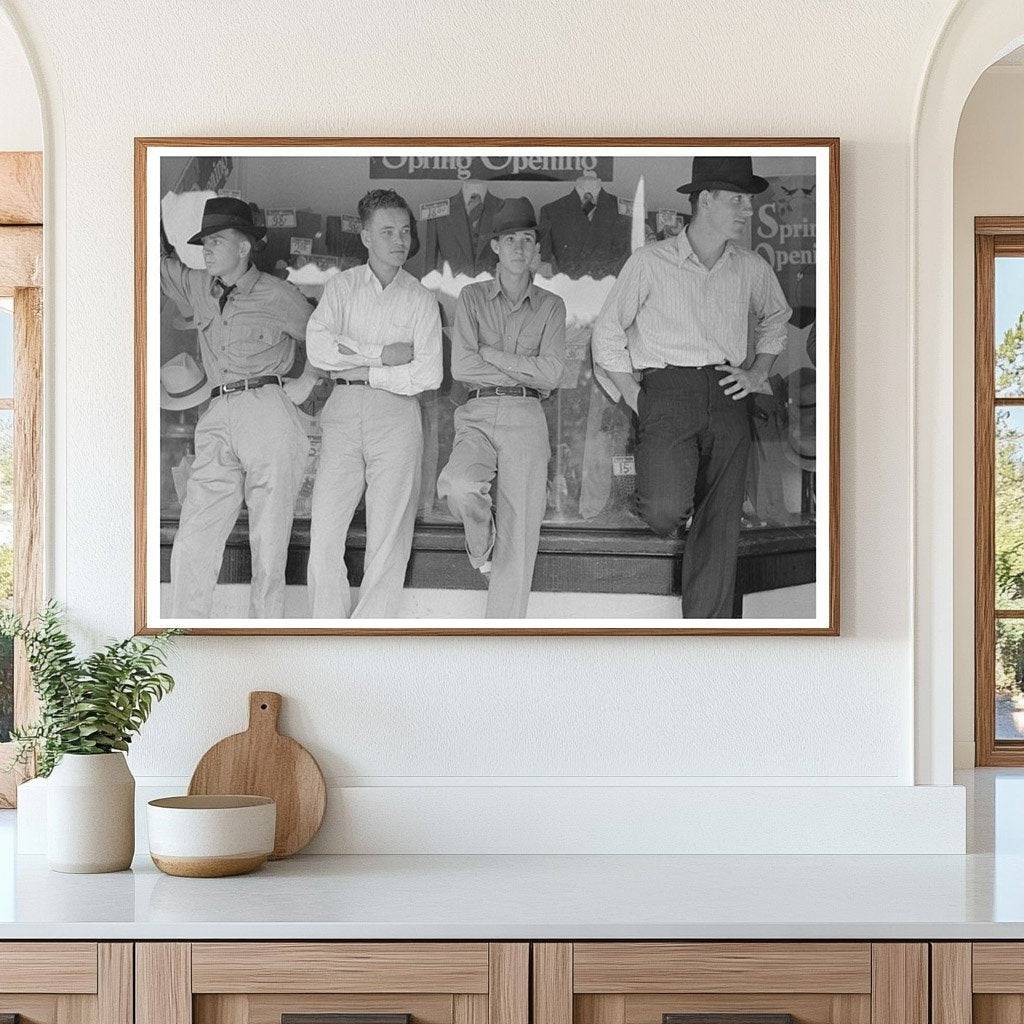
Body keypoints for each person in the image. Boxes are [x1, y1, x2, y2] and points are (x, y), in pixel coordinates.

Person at [592, 156, 792, 618]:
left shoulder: (749, 268)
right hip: (665, 390)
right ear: (706, 200)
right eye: (738, 200)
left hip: (727, 391)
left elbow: (777, 319)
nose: (747, 210)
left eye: (749, 200)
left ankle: (708, 631)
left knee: (721, 523)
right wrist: (634, 394)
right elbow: (607, 334)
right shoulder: (650, 262)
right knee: (664, 508)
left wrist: (758, 371)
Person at [159, 195, 318, 620]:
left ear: (244, 247)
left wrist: (304, 389)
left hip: (267, 407)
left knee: (269, 540)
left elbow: (324, 342)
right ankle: (186, 635)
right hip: (217, 411)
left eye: (216, 241)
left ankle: (264, 635)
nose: (206, 249)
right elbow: (161, 263)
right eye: (204, 243)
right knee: (194, 534)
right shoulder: (198, 287)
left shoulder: (279, 294)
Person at [305, 188, 442, 619]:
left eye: (404, 231)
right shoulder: (341, 289)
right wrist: (382, 356)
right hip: (343, 414)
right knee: (326, 530)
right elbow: (318, 349)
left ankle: (370, 632)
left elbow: (428, 374)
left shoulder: (420, 298)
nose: (399, 240)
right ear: (366, 238)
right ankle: (327, 629)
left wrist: (362, 369)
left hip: (396, 416)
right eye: (387, 231)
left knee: (389, 535)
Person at [437, 197, 566, 618]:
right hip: (476, 415)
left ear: (535, 248)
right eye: (509, 239)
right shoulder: (472, 298)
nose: (518, 247)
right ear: (495, 246)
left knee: (521, 536)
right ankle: (481, 548)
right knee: (458, 485)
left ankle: (502, 641)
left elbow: (550, 375)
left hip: (527, 420)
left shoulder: (551, 306)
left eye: (527, 239)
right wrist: (520, 370)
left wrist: (492, 356)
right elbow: (461, 365)